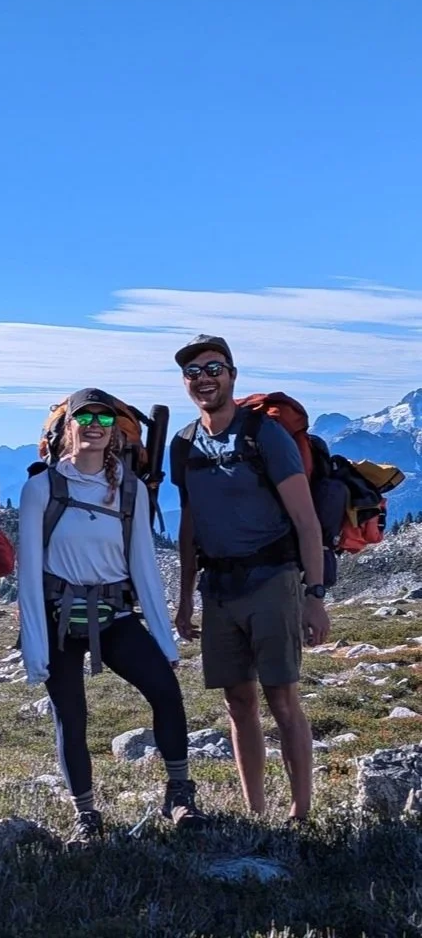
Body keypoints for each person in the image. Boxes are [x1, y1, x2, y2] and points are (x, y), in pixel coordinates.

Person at [18, 387, 205, 846]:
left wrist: (164, 640)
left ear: (116, 434)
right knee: (71, 716)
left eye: (105, 421)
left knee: (165, 689)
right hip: (58, 615)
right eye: (86, 419)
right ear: (67, 427)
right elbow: (27, 573)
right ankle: (86, 813)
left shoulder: (131, 490)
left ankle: (179, 792)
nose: (95, 428)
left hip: (114, 615)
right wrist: (35, 649)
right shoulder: (40, 489)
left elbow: (143, 564)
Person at [170, 334, 330, 822]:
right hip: (218, 588)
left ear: (233, 375)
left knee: (281, 696)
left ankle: (301, 814)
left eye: (214, 368)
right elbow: (189, 524)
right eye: (194, 372)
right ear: (185, 383)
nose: (204, 379)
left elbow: (306, 520)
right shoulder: (182, 443)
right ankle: (256, 811)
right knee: (238, 701)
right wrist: (184, 598)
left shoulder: (264, 434)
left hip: (272, 579)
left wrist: (315, 595)